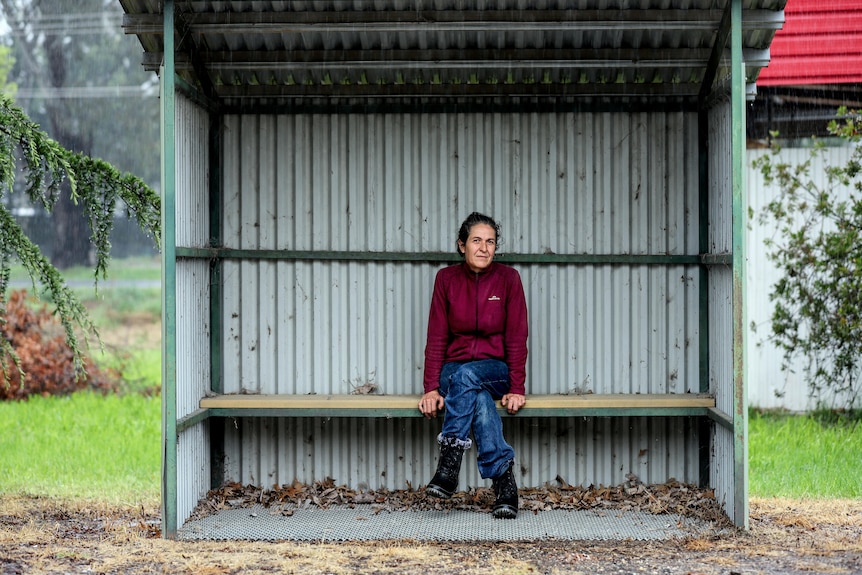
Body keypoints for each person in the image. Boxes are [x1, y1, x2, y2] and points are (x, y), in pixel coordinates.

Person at [418, 211, 529, 519]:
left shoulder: (509, 280)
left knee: (472, 379)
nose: (484, 248)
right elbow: (437, 337)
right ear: (461, 245)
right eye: (476, 241)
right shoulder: (446, 280)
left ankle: (449, 467)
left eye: (490, 242)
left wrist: (517, 387)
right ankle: (505, 484)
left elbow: (517, 337)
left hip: (495, 371)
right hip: (455, 370)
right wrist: (430, 388)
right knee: (476, 395)